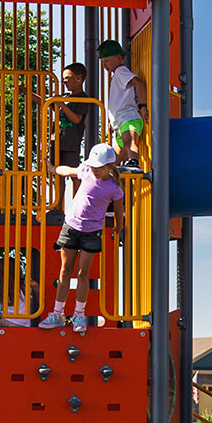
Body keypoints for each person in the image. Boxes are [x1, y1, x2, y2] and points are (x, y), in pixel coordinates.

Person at [40, 142, 125, 335]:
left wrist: (119, 228)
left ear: (109, 167)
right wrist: (53, 169)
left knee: (82, 274)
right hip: (71, 226)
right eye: (93, 166)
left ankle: (79, 314)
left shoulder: (114, 188)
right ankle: (57, 314)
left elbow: (119, 213)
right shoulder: (86, 171)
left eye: (98, 167)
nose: (94, 170)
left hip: (91, 233)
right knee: (64, 271)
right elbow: (67, 171)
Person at [96, 39, 149, 172]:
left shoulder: (120, 71)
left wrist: (143, 106)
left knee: (129, 142)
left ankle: (134, 163)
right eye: (102, 62)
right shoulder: (116, 76)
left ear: (119, 57)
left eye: (107, 61)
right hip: (120, 122)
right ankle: (114, 185)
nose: (104, 65)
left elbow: (138, 82)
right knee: (113, 162)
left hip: (128, 118)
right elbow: (117, 100)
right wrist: (111, 120)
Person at [51, 62, 94, 208]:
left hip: (70, 143)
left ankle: (77, 206)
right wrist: (26, 92)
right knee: (58, 174)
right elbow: (45, 103)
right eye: (63, 80)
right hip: (57, 141)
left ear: (79, 78)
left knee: (74, 174)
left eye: (68, 78)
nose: (65, 82)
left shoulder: (82, 98)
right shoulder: (64, 96)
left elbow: (76, 119)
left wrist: (61, 104)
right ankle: (57, 206)